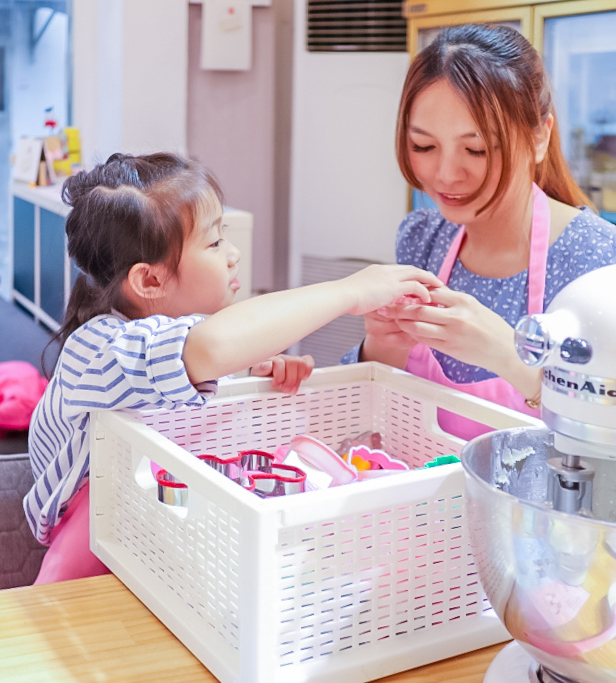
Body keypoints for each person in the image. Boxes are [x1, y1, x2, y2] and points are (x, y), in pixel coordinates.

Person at [26, 152, 442, 583]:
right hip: (92, 561)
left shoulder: (195, 346)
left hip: (170, 551)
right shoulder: (97, 349)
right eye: (214, 242)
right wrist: (349, 292)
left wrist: (254, 390)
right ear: (149, 281)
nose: (234, 254)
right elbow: (210, 347)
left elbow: (207, 395)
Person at [343, 24, 616, 439]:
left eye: (476, 149)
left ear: (539, 138)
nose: (445, 174)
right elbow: (371, 420)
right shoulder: (424, 239)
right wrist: (382, 348)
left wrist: (512, 358)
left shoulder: (599, 265)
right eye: (424, 146)